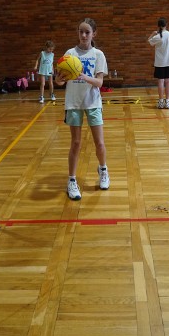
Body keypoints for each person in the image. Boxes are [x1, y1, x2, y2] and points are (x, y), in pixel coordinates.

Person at [55, 18, 109, 200]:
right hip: (74, 103)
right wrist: (58, 80)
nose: (84, 35)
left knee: (99, 143)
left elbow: (99, 82)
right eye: (81, 32)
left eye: (87, 32)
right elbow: (60, 81)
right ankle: (71, 180)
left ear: (94, 33)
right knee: (76, 143)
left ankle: (103, 170)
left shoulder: (98, 55)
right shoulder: (69, 54)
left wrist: (82, 76)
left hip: (93, 102)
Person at [148, 17, 169, 109]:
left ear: (158, 26)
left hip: (160, 62)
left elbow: (149, 41)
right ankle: (167, 102)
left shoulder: (158, 36)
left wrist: (152, 33)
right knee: (168, 81)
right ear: (166, 25)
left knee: (161, 81)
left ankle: (160, 102)